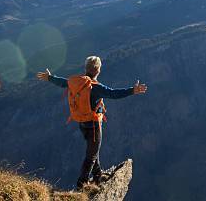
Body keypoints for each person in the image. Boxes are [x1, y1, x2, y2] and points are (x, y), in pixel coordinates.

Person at [37, 56, 147, 190]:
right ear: (97, 70)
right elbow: (113, 94)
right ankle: (81, 185)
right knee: (91, 155)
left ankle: (97, 176)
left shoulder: (77, 82)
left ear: (86, 68)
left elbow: (63, 82)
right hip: (94, 125)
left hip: (82, 123)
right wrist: (133, 90)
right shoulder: (95, 87)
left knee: (93, 150)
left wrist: (50, 77)